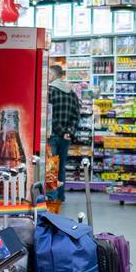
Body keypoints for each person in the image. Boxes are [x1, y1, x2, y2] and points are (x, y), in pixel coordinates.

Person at [47, 64, 81, 205]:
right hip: (65, 138)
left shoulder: (50, 91)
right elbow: (76, 116)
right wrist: (69, 132)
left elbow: (50, 116)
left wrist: (60, 131)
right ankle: (61, 196)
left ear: (54, 75)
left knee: (51, 167)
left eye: (49, 74)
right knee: (61, 168)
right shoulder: (72, 93)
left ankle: (52, 196)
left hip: (53, 135)